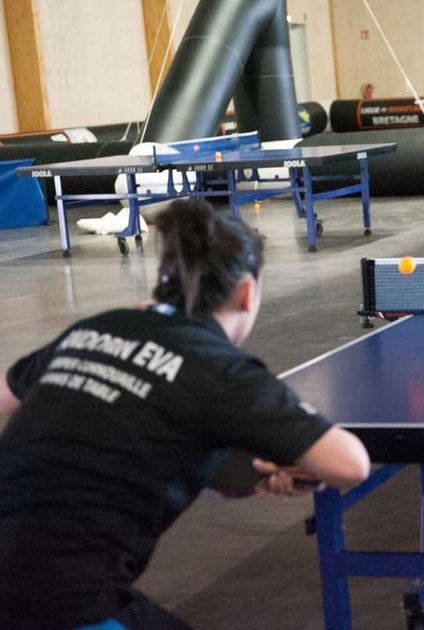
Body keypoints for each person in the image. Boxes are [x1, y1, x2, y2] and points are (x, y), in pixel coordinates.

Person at [0, 199, 371, 630]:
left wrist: (239, 471)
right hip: (57, 601)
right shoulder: (221, 370)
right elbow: (351, 464)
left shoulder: (97, 328)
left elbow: (133, 428)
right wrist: (303, 464)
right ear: (248, 291)